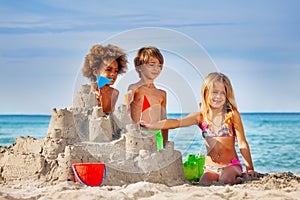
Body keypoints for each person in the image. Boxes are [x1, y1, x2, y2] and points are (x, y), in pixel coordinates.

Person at [142, 72, 258, 184]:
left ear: (227, 95)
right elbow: (176, 123)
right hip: (210, 168)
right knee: (204, 183)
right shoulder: (201, 117)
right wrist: (150, 125)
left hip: (231, 165)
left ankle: (240, 177)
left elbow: (242, 143)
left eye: (223, 93)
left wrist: (250, 169)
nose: (218, 96)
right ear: (206, 93)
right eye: (215, 92)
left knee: (226, 180)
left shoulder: (231, 115)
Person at [127, 46, 168, 146]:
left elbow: (164, 121)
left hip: (156, 136)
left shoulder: (162, 94)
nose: (156, 69)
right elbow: (126, 112)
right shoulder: (134, 88)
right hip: (139, 137)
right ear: (139, 67)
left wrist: (166, 144)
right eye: (151, 65)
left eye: (159, 66)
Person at [82, 44, 128, 113]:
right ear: (96, 72)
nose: (113, 74)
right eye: (108, 69)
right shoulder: (92, 89)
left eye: (116, 70)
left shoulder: (115, 93)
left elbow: (109, 117)